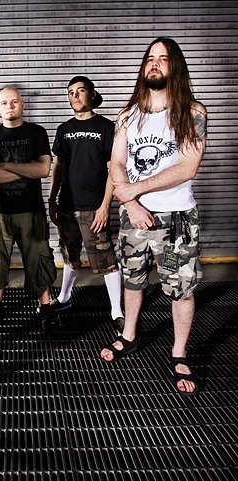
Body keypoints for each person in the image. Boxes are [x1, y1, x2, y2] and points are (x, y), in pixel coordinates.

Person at [99, 37, 207, 397]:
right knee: (132, 280)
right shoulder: (128, 115)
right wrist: (132, 204)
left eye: (163, 58)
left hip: (175, 221)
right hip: (134, 219)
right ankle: (129, 334)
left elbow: (188, 167)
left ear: (175, 66)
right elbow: (116, 162)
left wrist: (134, 189)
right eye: (150, 58)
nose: (155, 63)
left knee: (180, 288)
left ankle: (179, 352)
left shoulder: (192, 112)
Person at [49, 76, 124, 332]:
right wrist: (52, 198)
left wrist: (105, 206)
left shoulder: (106, 127)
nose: (76, 96)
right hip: (67, 205)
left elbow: (113, 169)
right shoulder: (64, 129)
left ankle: (117, 311)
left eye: (81, 91)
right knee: (70, 255)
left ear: (91, 94)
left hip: (93, 207)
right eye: (71, 92)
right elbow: (58, 165)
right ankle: (64, 298)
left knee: (106, 259)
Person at [0, 86, 58, 332]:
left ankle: (45, 308)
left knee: (38, 259)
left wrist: (6, 165)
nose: (9, 106)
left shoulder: (37, 132)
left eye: (14, 102)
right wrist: (27, 169)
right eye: (4, 103)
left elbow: (43, 170)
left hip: (31, 210)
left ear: (22, 104)